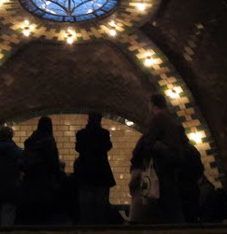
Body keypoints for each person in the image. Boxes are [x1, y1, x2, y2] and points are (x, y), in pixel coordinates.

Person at [129, 94, 185, 224]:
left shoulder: (158, 119)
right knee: (172, 207)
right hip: (173, 168)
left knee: (159, 206)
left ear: (152, 104)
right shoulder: (174, 121)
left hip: (160, 168)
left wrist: (139, 161)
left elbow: (147, 143)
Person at [74, 112, 116, 224]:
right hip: (101, 173)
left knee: (86, 208)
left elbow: (78, 148)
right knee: (101, 207)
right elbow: (108, 146)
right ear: (100, 120)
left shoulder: (81, 134)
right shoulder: (104, 133)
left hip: (85, 173)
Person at [19, 116, 59, 224]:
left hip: (31, 178)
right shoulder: (49, 140)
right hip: (44, 178)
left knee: (32, 207)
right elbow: (53, 160)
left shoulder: (31, 140)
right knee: (44, 206)